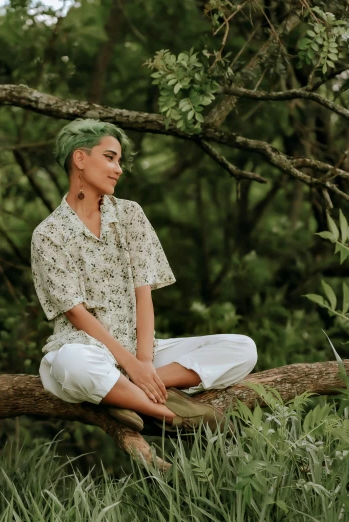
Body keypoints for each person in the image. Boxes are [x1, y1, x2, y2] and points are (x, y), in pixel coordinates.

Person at [31, 118, 257, 432]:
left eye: (119, 161)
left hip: (143, 349)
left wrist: (143, 363)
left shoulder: (130, 214)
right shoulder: (48, 234)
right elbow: (76, 313)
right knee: (71, 366)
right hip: (85, 348)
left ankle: (123, 395)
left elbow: (143, 293)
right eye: (110, 157)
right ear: (80, 159)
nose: (118, 169)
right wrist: (130, 364)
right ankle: (175, 415)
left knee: (243, 349)